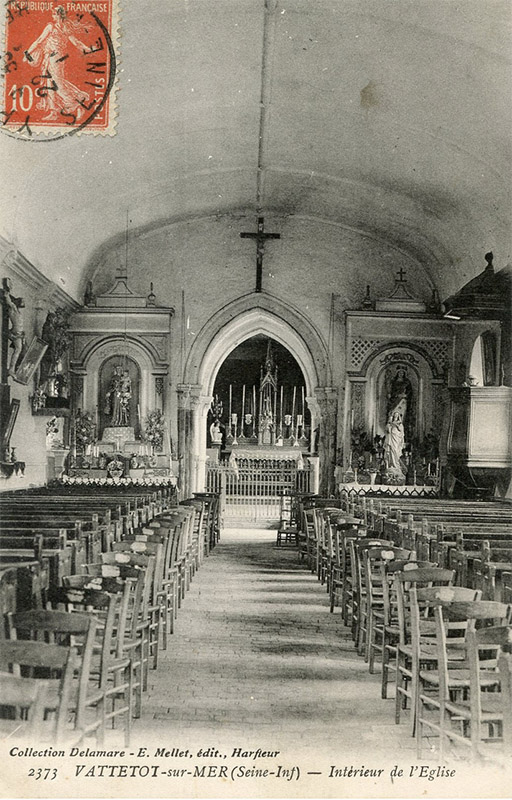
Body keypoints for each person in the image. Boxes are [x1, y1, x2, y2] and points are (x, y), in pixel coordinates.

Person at [23, 6, 90, 121]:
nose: (53, 16)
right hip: (50, 58)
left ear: (59, 15)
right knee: (50, 84)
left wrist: (28, 53)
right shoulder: (58, 27)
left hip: (56, 58)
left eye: (54, 14)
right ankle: (53, 112)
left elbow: (39, 40)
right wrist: (28, 53)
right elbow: (40, 41)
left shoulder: (57, 27)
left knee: (57, 84)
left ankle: (77, 104)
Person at [3, 284, 25, 376]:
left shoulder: (18, 311)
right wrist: (7, 295)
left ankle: (15, 368)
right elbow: (9, 302)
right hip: (15, 333)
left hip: (20, 334)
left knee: (22, 350)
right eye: (22, 301)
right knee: (18, 350)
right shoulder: (14, 309)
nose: (24, 303)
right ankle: (11, 369)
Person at [384, 402, 405, 473]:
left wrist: (397, 425)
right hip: (391, 439)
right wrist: (390, 425)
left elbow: (401, 432)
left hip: (396, 439)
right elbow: (387, 430)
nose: (396, 416)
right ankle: (391, 465)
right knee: (391, 451)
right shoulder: (390, 423)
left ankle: (396, 465)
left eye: (397, 415)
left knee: (395, 451)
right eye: (395, 415)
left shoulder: (400, 424)